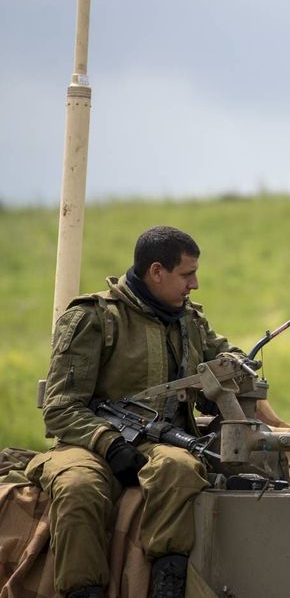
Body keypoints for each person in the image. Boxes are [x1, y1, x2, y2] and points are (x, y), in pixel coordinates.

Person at [26, 226, 242, 598]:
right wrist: (109, 444)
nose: (195, 284)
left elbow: (229, 359)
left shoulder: (189, 322)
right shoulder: (93, 318)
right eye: (187, 274)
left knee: (180, 468)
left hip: (160, 445)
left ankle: (167, 584)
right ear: (156, 271)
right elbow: (61, 408)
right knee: (78, 488)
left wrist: (233, 367)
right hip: (87, 445)